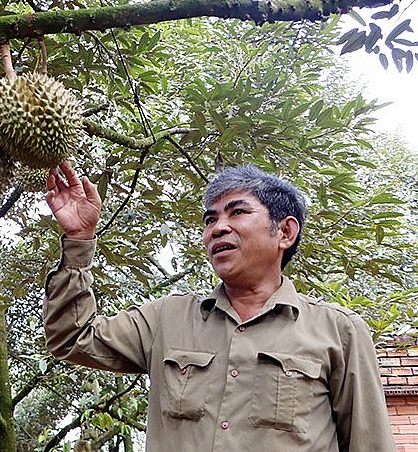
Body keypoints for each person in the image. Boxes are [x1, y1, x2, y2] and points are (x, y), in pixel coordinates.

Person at [43, 161, 395, 451]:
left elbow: (370, 445)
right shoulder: (167, 319)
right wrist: (79, 239)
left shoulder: (339, 331)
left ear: (285, 232)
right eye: (210, 220)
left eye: (237, 212)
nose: (218, 228)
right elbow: (72, 337)